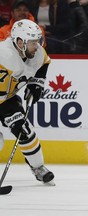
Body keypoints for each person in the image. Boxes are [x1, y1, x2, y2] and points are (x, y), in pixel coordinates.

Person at [0, 19, 54, 184]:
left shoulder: (37, 53)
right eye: (32, 42)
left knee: (24, 130)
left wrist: (37, 83)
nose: (36, 46)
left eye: (38, 41)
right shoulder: (4, 54)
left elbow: (44, 63)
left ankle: (38, 167)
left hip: (6, 99)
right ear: (19, 41)